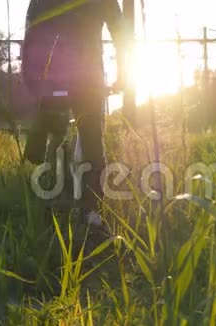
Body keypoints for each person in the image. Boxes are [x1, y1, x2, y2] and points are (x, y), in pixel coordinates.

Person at [22, 0, 127, 229]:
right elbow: (120, 31)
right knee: (91, 143)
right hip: (86, 77)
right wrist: (125, 71)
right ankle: (89, 212)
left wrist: (31, 76)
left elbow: (33, 26)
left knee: (61, 138)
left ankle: (55, 200)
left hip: (56, 77)